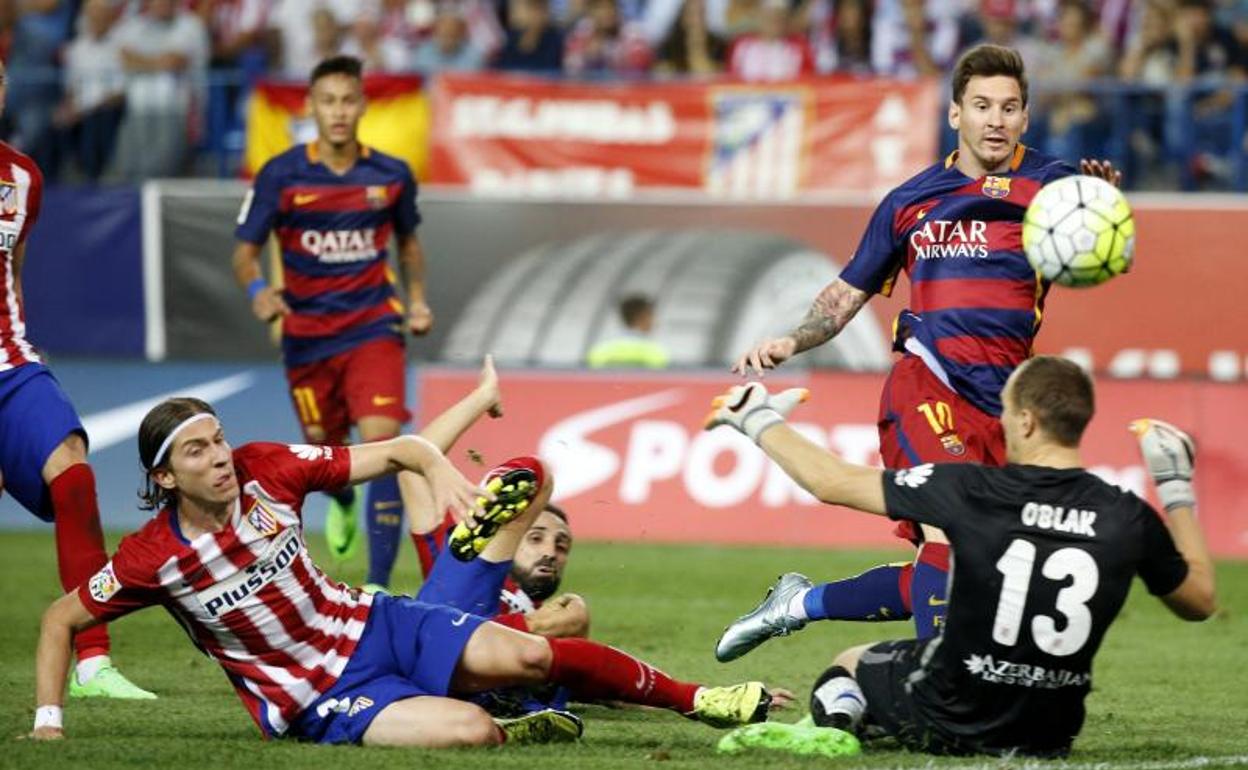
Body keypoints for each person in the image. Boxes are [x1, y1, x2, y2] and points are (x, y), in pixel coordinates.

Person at [27, 396, 785, 744]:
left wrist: (432, 462)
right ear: (163, 479)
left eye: (219, 440)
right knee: (470, 734)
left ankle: (700, 698)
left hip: (374, 621)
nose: (221, 457)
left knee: (530, 646)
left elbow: (394, 452)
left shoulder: (270, 468)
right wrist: (49, 722)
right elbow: (61, 618)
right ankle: (517, 722)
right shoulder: (151, 559)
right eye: (198, 452)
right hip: (314, 697)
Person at [732, 43, 1122, 647]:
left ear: (1025, 117)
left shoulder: (1053, 188)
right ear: (955, 114)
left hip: (1009, 408)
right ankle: (936, 686)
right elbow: (844, 296)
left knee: (981, 568)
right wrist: (793, 339)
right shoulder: (909, 201)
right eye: (983, 105)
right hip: (929, 383)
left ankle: (802, 602)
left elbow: (1099, 254)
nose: (996, 119)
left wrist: (1095, 208)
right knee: (949, 523)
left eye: (1010, 107)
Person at [706, 357, 1216, 757]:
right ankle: (812, 622)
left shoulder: (970, 488)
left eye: (1006, 411)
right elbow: (1200, 601)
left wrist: (757, 417)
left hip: (952, 712)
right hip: (1049, 732)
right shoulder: (1125, 512)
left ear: (1026, 420)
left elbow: (832, 481)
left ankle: (840, 719)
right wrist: (1175, 487)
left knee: (848, 664)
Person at [233, 55, 434, 592]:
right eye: (329, 101)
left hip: (374, 327)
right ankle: (343, 499)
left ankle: (375, 584)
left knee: (384, 443)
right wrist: (258, 292)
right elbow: (244, 255)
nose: (339, 111)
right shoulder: (281, 174)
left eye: (348, 100)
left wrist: (416, 300)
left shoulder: (391, 174)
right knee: (330, 453)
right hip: (307, 340)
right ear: (311, 107)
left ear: (363, 106)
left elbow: (409, 245)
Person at [0, 58, 153, 701]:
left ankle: (91, 660)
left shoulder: (22, 177)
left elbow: (16, 268)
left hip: (9, 364)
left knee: (74, 470)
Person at [586, 295, 670, 369]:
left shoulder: (600, 350)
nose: (654, 321)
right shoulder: (655, 352)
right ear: (643, 316)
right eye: (651, 316)